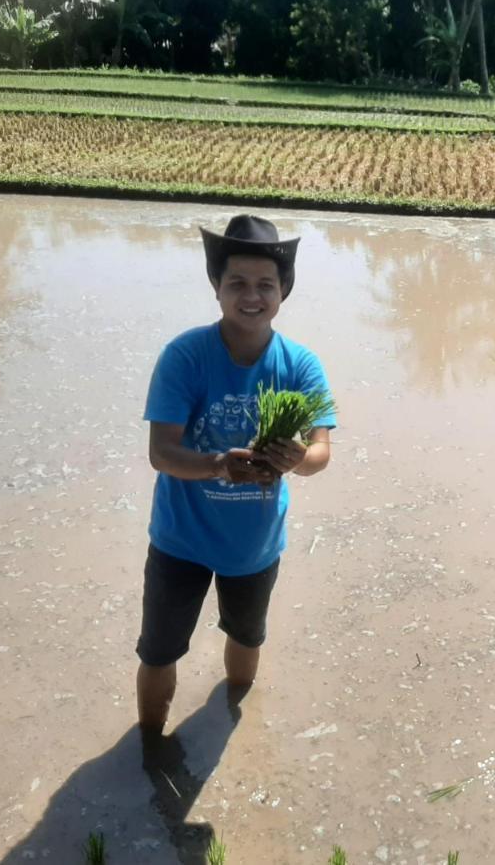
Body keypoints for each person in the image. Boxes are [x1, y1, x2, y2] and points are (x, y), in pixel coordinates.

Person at [136, 214, 336, 733]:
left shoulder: (301, 365)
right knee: (159, 651)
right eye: (237, 284)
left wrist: (295, 459)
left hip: (254, 546)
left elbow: (320, 452)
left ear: (283, 290)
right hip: (180, 540)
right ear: (216, 288)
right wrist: (218, 465)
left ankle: (231, 728)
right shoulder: (184, 356)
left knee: (247, 639)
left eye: (265, 285)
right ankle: (151, 749)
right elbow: (162, 452)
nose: (252, 296)